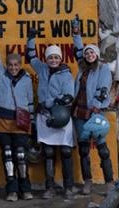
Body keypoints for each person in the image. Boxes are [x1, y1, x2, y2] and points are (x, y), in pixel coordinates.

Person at [26, 29, 77, 200]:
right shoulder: (42, 69)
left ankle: (68, 186)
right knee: (48, 152)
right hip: (44, 117)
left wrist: (52, 102)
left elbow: (69, 96)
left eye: (56, 57)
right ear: (46, 59)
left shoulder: (67, 74)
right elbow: (31, 57)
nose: (53, 60)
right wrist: (31, 38)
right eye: (50, 57)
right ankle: (50, 187)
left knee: (65, 152)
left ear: (60, 59)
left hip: (60, 115)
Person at [0, 22, 34, 202]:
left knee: (21, 155)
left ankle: (26, 188)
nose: (13, 67)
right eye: (10, 64)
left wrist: (33, 122)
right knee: (7, 154)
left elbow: (31, 101)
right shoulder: (0, 73)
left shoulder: (27, 79)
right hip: (1, 121)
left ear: (20, 65)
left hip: (20, 122)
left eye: (16, 64)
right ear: (6, 65)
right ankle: (12, 190)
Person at [72, 17, 113, 195]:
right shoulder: (83, 68)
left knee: (102, 148)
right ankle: (87, 181)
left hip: (94, 112)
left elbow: (103, 89)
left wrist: (96, 106)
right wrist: (76, 33)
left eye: (92, 53)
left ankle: (109, 182)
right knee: (83, 149)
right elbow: (79, 49)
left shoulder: (103, 69)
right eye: (87, 53)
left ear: (97, 54)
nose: (89, 55)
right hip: (79, 112)